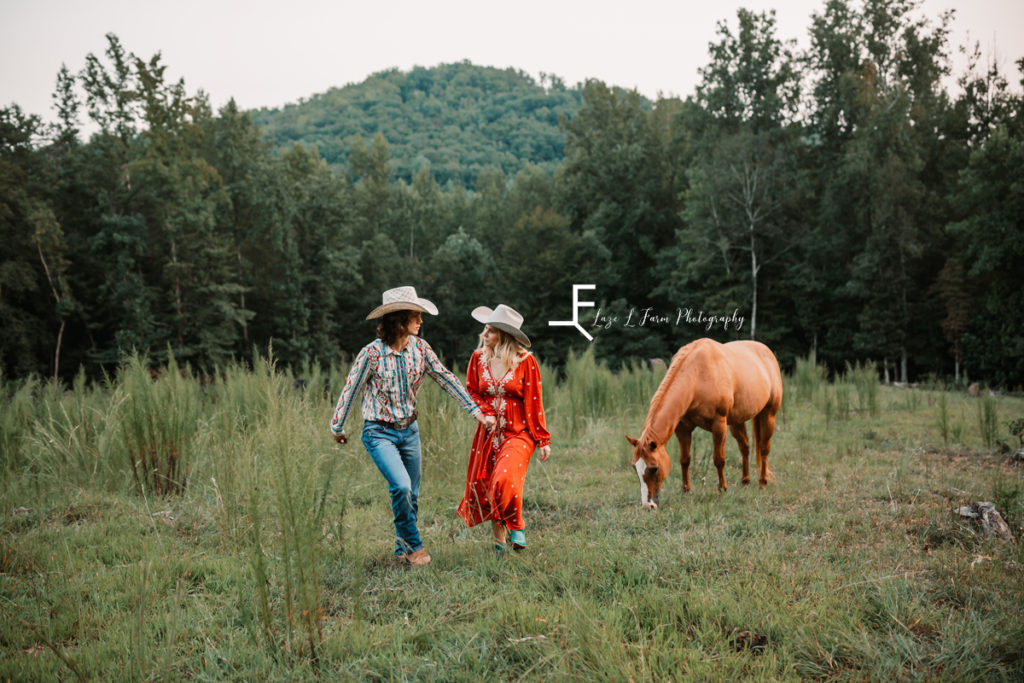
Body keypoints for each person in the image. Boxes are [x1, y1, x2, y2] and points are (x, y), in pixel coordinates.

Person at [331, 286, 495, 567]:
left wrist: (477, 412)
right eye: (416, 316)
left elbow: (446, 379)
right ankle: (416, 549)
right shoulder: (370, 354)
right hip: (378, 432)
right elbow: (352, 389)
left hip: (410, 432)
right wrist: (338, 426)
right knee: (402, 486)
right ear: (399, 319)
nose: (421, 321)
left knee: (413, 495)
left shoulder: (421, 349)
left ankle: (401, 549)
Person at [457, 304, 551, 553]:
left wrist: (542, 438)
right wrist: (485, 414)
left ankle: (517, 526)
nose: (483, 335)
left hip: (519, 432)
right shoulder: (478, 358)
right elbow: (472, 391)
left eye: (489, 331)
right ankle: (499, 547)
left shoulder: (526, 361)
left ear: (504, 335)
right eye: (484, 330)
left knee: (503, 480)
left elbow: (534, 400)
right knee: (490, 486)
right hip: (488, 433)